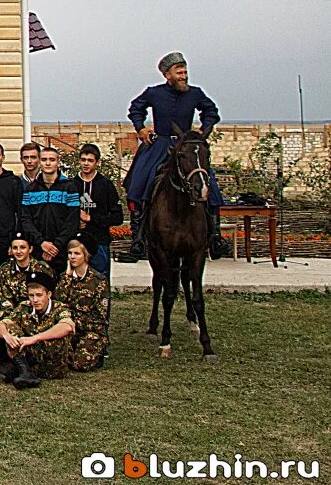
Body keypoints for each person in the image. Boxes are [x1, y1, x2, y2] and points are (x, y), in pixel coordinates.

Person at [126, 52, 227, 259]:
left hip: (187, 147)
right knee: (139, 182)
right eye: (179, 72)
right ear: (167, 75)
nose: (183, 76)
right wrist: (141, 129)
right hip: (160, 144)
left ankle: (215, 236)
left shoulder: (196, 93)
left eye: (185, 72)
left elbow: (211, 111)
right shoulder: (154, 93)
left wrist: (203, 130)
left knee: (211, 185)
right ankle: (138, 239)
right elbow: (135, 108)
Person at [0, 270, 75, 389]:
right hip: (32, 358)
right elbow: (1, 325)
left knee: (55, 334)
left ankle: (21, 371)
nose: (35, 300)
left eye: (39, 295)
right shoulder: (25, 307)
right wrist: (7, 336)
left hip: (53, 365)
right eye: (31, 295)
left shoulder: (59, 308)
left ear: (49, 294)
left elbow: (67, 326)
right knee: (10, 328)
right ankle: (25, 371)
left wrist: (35, 338)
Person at [21, 147, 80, 272]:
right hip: (37, 249)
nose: (48, 163)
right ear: (39, 162)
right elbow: (26, 220)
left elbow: (72, 220)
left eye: (52, 160)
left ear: (58, 162)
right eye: (44, 159)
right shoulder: (30, 189)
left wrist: (56, 245)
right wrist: (41, 243)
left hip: (61, 249)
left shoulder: (69, 187)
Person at [56, 235, 109, 371]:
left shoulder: (98, 281)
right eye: (70, 253)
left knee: (80, 364)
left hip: (90, 330)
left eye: (77, 253)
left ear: (86, 255)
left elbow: (100, 316)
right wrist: (67, 277)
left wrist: (74, 321)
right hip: (69, 329)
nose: (72, 257)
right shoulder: (65, 278)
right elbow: (58, 301)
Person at [75, 143, 123, 278]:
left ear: (97, 162)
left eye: (90, 160)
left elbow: (117, 217)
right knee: (77, 280)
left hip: (99, 241)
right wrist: (76, 222)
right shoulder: (71, 185)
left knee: (101, 279)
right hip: (76, 242)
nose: (86, 164)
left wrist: (92, 219)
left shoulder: (106, 185)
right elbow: (63, 214)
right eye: (83, 160)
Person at [0, 232, 40, 304]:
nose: (18, 251)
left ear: (30, 249)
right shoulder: (5, 269)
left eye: (23, 247)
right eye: (15, 248)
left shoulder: (41, 268)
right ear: (11, 250)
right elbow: (6, 297)